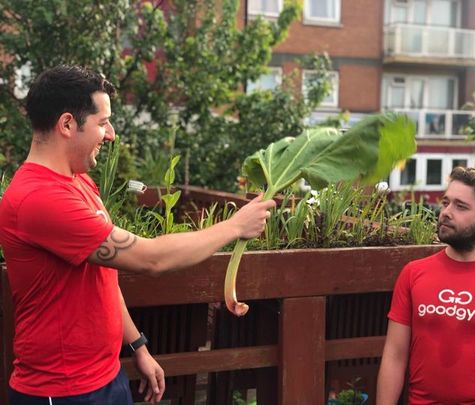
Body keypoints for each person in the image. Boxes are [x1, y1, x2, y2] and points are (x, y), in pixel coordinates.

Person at [0, 65, 276, 405]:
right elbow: (151, 258)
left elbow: (103, 275)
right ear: (68, 124)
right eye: (102, 122)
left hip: (106, 374)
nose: (111, 133)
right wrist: (235, 226)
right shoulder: (39, 198)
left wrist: (137, 345)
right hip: (62, 390)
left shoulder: (78, 181)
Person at [376, 167, 475, 404]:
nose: (446, 212)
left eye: (460, 206)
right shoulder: (414, 273)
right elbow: (394, 355)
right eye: (446, 203)